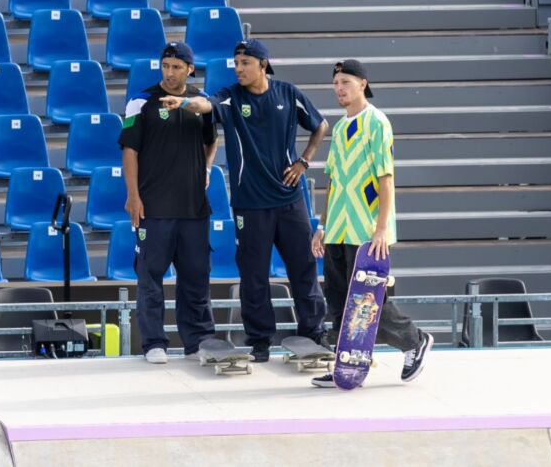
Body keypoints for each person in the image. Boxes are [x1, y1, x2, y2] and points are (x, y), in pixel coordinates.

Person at [160, 39, 328, 362]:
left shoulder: (288, 94)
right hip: (249, 204)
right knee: (253, 275)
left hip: (291, 200)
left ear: (263, 64)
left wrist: (304, 160)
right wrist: (183, 104)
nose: (238, 68)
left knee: (304, 268)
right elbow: (206, 105)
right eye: (236, 63)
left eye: (244, 63)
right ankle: (260, 339)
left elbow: (320, 124)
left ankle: (314, 331)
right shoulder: (230, 97)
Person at [309, 59, 433, 388]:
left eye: (345, 82)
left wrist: (381, 229)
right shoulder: (339, 126)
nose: (339, 88)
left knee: (367, 300)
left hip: (365, 230)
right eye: (335, 83)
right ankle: (344, 363)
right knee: (337, 298)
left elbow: (386, 178)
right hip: (337, 227)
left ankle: (415, 340)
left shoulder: (377, 122)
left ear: (362, 83)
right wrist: (321, 225)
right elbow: (333, 180)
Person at [119, 42, 217, 364]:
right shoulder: (140, 102)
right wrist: (133, 196)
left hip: (193, 209)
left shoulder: (200, 103)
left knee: (196, 278)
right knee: (150, 277)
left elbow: (211, 140)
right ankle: (153, 342)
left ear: (190, 68)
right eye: (166, 66)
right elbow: (129, 151)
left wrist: (204, 168)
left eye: (177, 67)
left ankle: (198, 340)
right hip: (154, 208)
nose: (170, 72)